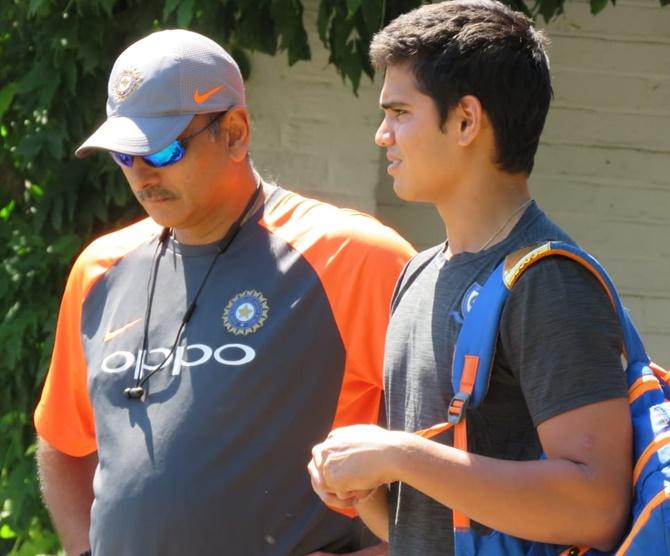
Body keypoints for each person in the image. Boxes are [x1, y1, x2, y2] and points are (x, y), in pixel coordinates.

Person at [34, 29, 414, 556]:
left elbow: (460, 449)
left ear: (234, 133)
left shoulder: (353, 257)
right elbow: (62, 442)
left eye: (163, 150)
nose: (141, 175)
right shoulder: (99, 270)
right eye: (124, 156)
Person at [308, 1, 632, 554]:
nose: (382, 135)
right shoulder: (417, 274)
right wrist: (359, 484)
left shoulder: (547, 281)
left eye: (400, 112)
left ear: (465, 121)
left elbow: (594, 508)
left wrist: (399, 455)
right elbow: (428, 529)